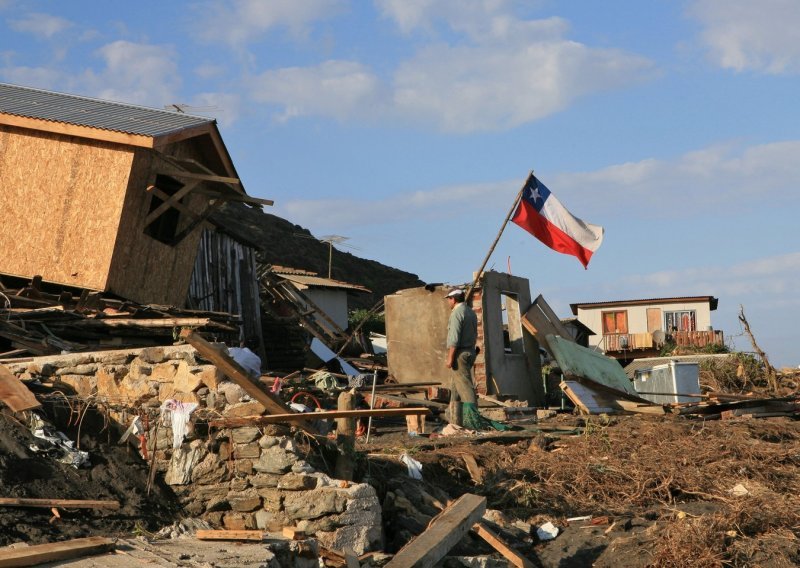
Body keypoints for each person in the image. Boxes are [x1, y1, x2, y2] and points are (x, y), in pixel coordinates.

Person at [444, 289, 478, 423]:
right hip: (470, 351)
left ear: (453, 299)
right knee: (455, 387)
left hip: (460, 354)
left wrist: (450, 358)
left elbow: (454, 339)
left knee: (465, 387)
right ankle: (453, 418)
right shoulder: (470, 311)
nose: (448, 302)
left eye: (449, 299)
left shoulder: (457, 313)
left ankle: (473, 420)